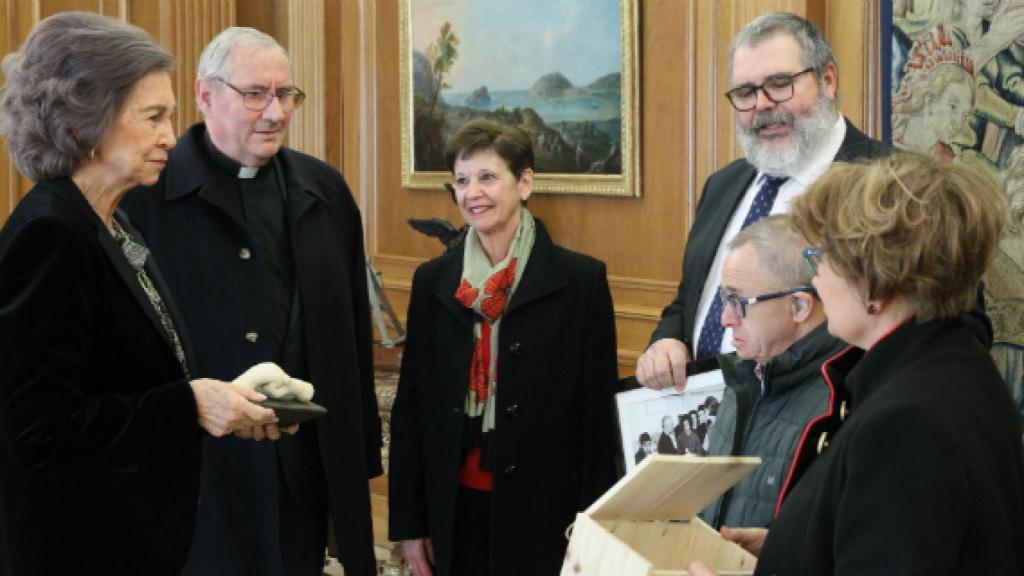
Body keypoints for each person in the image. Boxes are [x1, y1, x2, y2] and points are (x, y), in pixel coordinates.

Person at [0, 13, 280, 575]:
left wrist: (223, 401)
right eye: (153, 117)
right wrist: (190, 404)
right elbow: (39, 433)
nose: (171, 138)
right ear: (88, 121)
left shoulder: (113, 222)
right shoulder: (49, 235)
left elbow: (128, 376)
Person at [121, 27, 382, 576]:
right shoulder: (145, 197)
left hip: (300, 466)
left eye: (285, 95)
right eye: (255, 94)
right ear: (205, 95)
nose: (275, 112)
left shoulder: (325, 190)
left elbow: (352, 332)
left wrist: (355, 459)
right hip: (199, 473)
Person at [690, 154, 1024, 575]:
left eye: (822, 258)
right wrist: (793, 542)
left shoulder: (907, 421)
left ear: (876, 282)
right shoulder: (954, 364)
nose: (815, 278)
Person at [388, 119, 619, 576]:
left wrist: (595, 530)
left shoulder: (581, 282)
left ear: (525, 182)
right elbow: (412, 407)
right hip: (454, 505)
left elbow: (597, 422)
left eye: (488, 177)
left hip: (547, 514)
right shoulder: (433, 282)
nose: (472, 193)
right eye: (461, 180)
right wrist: (410, 525)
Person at [635, 12, 893, 391]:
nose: (762, 104)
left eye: (780, 84)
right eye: (745, 93)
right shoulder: (723, 185)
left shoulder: (894, 185)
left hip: (823, 432)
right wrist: (667, 340)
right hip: (704, 421)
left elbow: (947, 329)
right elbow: (689, 300)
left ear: (828, 80)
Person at [699, 215, 844, 530]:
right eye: (724, 299)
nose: (725, 319)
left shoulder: (843, 400)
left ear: (799, 307)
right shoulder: (744, 374)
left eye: (738, 302)